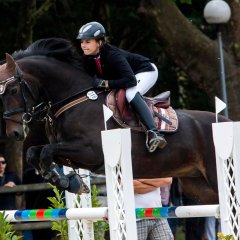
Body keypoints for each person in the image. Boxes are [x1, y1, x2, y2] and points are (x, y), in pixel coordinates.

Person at [77, 21, 167, 153]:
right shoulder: (88, 58)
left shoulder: (112, 55)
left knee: (130, 93)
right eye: (82, 42)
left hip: (146, 71)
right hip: (128, 77)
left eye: (88, 41)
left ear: (100, 42)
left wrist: (105, 83)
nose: (83, 45)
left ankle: (154, 132)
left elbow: (130, 81)